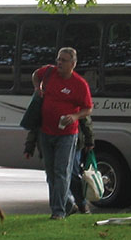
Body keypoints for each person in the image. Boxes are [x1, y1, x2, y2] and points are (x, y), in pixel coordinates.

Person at [32, 47, 93, 219]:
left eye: (63, 60)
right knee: (50, 173)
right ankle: (68, 204)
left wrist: (75, 116)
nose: (59, 63)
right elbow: (35, 74)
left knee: (61, 172)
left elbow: (88, 109)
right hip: (46, 131)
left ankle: (58, 212)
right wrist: (37, 87)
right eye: (58, 59)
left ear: (73, 64)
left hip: (67, 134)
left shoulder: (79, 84)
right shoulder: (49, 72)